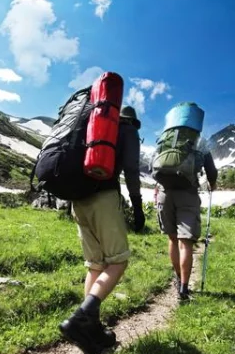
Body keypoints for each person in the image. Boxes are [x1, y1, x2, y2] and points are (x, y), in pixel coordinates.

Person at [60, 105, 145, 353]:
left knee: (95, 265)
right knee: (118, 262)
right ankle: (81, 319)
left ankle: (90, 330)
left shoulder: (90, 124)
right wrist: (137, 206)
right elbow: (130, 168)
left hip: (79, 199)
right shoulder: (127, 129)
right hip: (104, 198)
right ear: (133, 121)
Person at [154, 118, 218, 302]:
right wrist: (212, 184)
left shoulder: (166, 138)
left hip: (165, 193)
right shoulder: (200, 141)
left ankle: (178, 277)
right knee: (185, 242)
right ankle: (184, 288)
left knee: (172, 239)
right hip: (187, 193)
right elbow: (211, 171)